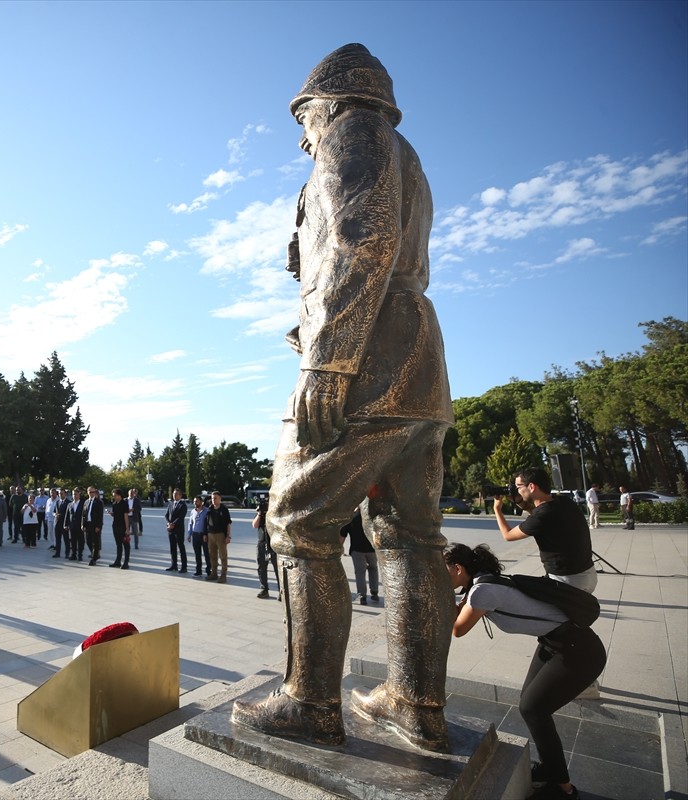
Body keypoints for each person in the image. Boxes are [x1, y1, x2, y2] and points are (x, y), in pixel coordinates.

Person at [232, 44, 456, 751]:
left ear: (326, 102)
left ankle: (310, 702)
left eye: (304, 116)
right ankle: (414, 703)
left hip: (365, 366)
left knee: (297, 524)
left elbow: (360, 240)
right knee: (408, 538)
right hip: (416, 366)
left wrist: (327, 363)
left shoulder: (353, 131)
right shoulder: (401, 149)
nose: (304, 135)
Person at [446, 543, 604, 800]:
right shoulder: (479, 585)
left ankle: (564, 789)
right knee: (529, 705)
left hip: (579, 650)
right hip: (552, 643)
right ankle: (548, 768)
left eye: (444, 573)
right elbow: (457, 612)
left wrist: (441, 595)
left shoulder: (482, 591)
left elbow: (458, 629)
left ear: (458, 568)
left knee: (534, 709)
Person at [497, 467, 596, 593]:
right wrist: (520, 502)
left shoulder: (542, 516)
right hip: (587, 573)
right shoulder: (564, 501)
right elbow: (539, 515)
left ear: (531, 487)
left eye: (518, 487)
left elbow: (508, 535)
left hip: (566, 581)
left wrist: (497, 509)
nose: (516, 491)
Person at [340, 508, 378, 605]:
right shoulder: (372, 516)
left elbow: (343, 534)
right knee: (373, 569)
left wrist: (340, 547)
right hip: (372, 550)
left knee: (360, 573)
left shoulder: (351, 517)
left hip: (357, 551)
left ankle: (362, 596)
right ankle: (374, 592)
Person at [204, 492, 232, 583]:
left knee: (223, 556)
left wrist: (228, 536)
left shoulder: (224, 509)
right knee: (212, 555)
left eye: (215, 498)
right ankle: (214, 573)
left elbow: (228, 523)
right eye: (212, 498)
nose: (213, 500)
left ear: (220, 499)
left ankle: (223, 575)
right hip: (210, 535)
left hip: (221, 535)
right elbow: (206, 523)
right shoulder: (209, 509)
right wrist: (205, 534)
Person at [253, 495, 278, 598]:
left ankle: (281, 590)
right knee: (261, 567)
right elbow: (254, 525)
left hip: (274, 544)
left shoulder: (276, 513)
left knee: (277, 568)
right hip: (262, 543)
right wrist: (259, 514)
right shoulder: (260, 514)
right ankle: (264, 589)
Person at [164, 488, 188, 573]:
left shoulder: (183, 505)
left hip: (178, 530)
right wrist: (168, 523)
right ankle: (174, 565)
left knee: (181, 548)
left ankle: (184, 567)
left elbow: (180, 517)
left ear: (180, 495)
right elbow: (166, 515)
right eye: (174, 493)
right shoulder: (170, 504)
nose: (174, 495)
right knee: (172, 548)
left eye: (177, 494)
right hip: (170, 530)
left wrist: (173, 524)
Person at [187, 495, 210, 577]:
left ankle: (208, 570)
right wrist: (189, 534)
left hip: (203, 535)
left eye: (196, 501)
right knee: (197, 554)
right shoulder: (193, 511)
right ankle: (198, 570)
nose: (195, 503)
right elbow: (190, 523)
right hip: (195, 534)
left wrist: (205, 534)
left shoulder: (207, 511)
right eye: (194, 501)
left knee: (207, 553)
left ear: (201, 502)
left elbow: (207, 524)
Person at [108, 489, 131, 569]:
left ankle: (126, 562)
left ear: (119, 495)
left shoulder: (124, 503)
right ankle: (118, 561)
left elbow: (126, 516)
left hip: (123, 526)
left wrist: (127, 529)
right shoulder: (114, 504)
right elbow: (116, 514)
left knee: (126, 544)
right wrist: (112, 514)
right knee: (118, 544)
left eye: (115, 495)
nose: (114, 497)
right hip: (115, 526)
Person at [81, 487, 104, 566]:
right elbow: (83, 515)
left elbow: (100, 516)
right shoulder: (86, 502)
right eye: (90, 492)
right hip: (87, 524)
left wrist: (98, 526)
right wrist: (83, 524)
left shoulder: (99, 502)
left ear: (95, 493)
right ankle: (95, 553)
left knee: (95, 542)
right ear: (87, 492)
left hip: (95, 525)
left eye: (93, 492)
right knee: (88, 541)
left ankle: (94, 559)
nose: (91, 493)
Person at [64, 488, 85, 561]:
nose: (74, 496)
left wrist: (84, 525)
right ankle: (73, 554)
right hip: (72, 526)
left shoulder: (83, 504)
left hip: (80, 526)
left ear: (79, 495)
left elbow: (84, 515)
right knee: (73, 541)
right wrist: (65, 524)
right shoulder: (70, 504)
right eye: (73, 494)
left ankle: (80, 555)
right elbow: (67, 515)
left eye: (76, 494)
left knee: (81, 541)